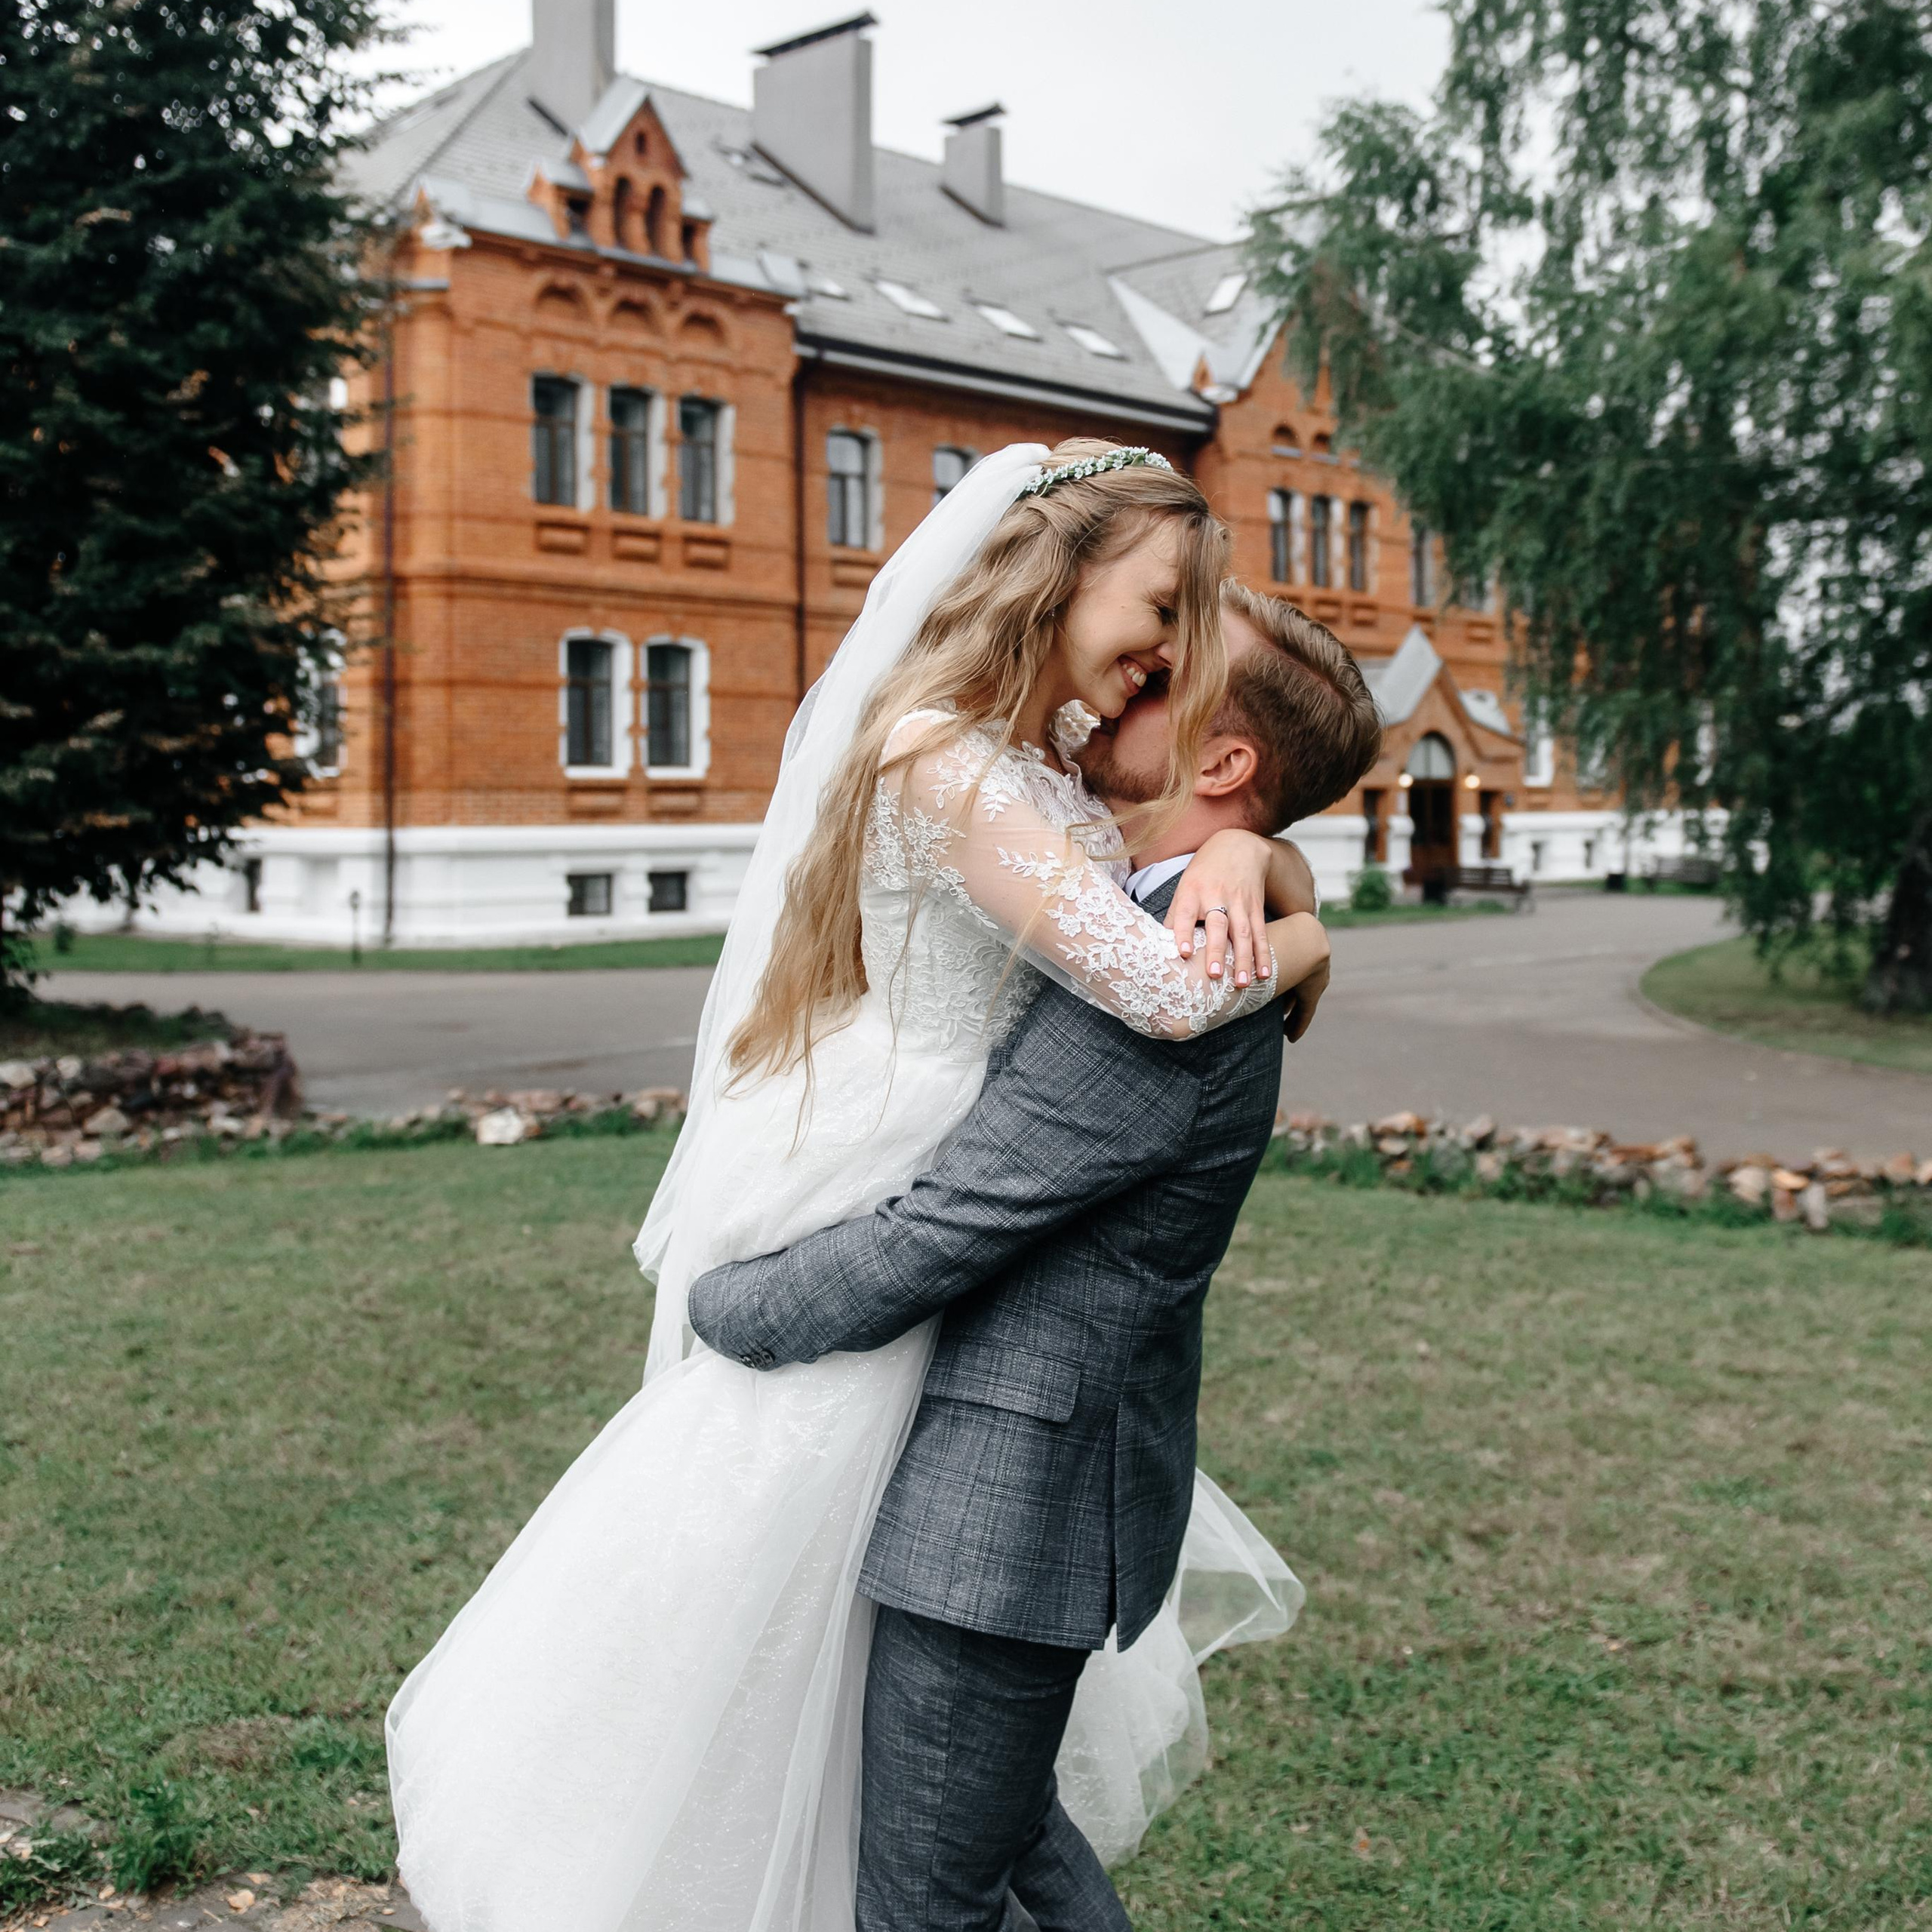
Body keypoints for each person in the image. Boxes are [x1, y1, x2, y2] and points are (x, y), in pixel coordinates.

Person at [384, 442, 1330, 1932]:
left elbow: (1129, 1004)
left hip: (967, 1338)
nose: (1159, 660)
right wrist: (1283, 902)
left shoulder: (1066, 825)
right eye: (1160, 616)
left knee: (932, 1835)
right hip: (889, 1177)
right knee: (814, 1674)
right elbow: (1145, 968)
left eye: (1179, 664)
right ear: (1056, 572)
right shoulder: (952, 760)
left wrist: (1268, 882)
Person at [688, 583, 1383, 1932]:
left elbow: (952, 1226)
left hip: (1007, 1506)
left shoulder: (1188, 968)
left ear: (1226, 764)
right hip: (1011, 1481)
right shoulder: (1160, 906)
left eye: (1169, 680)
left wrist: (725, 1309)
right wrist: (1280, 873)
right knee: (1008, 1855)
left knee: (927, 1902)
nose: (1128, 681)